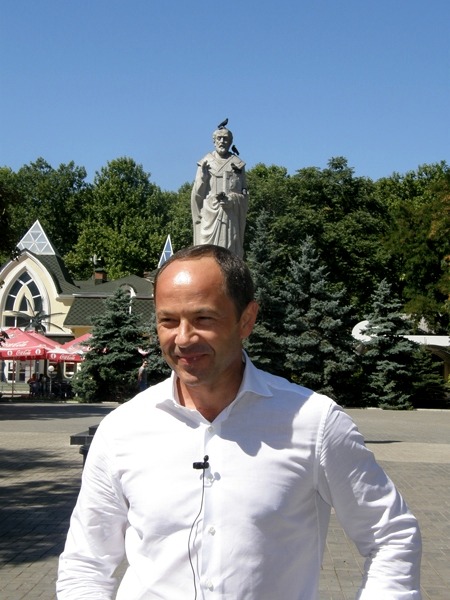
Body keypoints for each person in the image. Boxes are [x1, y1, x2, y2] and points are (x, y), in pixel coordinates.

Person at [57, 245, 422, 600]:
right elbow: (86, 562)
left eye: (203, 319)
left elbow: (390, 536)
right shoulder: (122, 429)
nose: (183, 338)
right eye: (168, 320)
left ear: (246, 320)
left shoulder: (314, 422)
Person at [191, 127, 248, 257]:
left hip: (229, 217)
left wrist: (232, 200)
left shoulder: (237, 164)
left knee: (228, 255)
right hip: (209, 215)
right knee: (206, 254)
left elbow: (244, 195)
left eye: (225, 139)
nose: (222, 141)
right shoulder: (205, 163)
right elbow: (196, 196)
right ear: (214, 141)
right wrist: (203, 178)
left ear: (230, 142)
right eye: (219, 138)